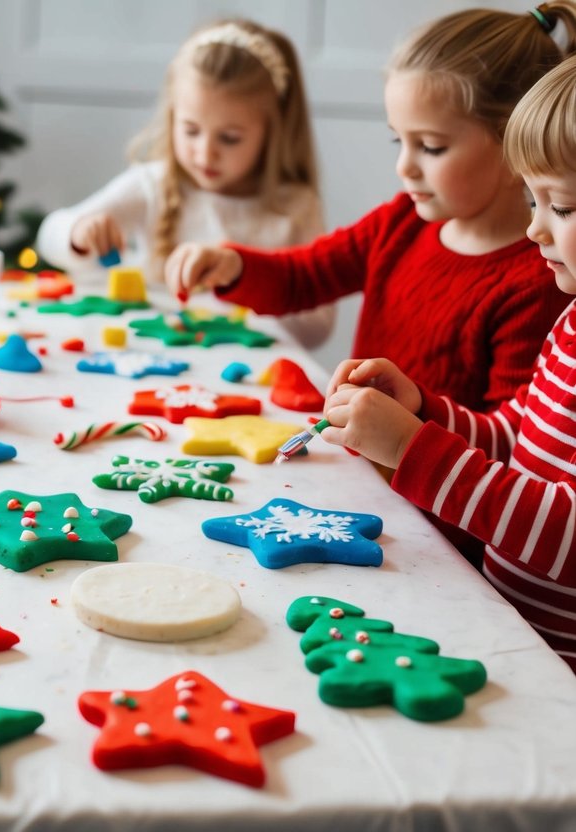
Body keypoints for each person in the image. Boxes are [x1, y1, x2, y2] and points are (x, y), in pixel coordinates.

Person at [167, 5, 576, 412]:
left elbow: (508, 437)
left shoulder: (538, 283)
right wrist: (232, 266)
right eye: (399, 141)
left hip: (423, 476)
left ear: (511, 147)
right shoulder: (400, 223)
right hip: (355, 462)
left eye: (431, 146)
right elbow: (303, 278)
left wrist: (404, 430)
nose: (405, 167)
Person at [319, 50, 576, 674]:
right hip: (511, 629)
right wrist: (424, 410)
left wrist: (417, 452)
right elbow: (517, 434)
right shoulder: (572, 322)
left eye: (562, 208)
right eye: (532, 202)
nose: (536, 230)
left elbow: (567, 536)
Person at [37, 18, 335, 348]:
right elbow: (49, 234)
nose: (205, 153)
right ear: (172, 116)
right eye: (191, 130)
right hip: (148, 361)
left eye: (230, 138)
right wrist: (79, 235)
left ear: (272, 132)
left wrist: (248, 286)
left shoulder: (294, 206)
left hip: (249, 376)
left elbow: (316, 328)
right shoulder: (153, 184)